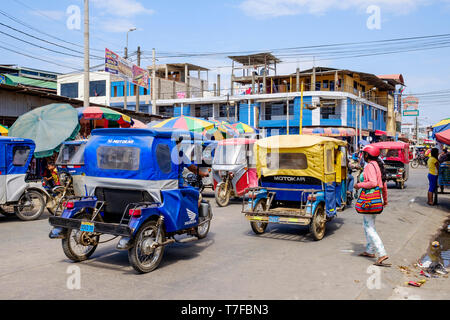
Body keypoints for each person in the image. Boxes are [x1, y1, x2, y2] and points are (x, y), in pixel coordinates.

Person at [354, 145, 390, 266]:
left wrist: (359, 185)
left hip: (370, 200)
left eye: (364, 154)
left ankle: (382, 252)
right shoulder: (378, 165)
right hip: (376, 199)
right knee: (369, 225)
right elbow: (383, 184)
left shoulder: (369, 166)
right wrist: (385, 200)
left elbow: (373, 183)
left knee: (369, 227)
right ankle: (370, 250)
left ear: (366, 155)